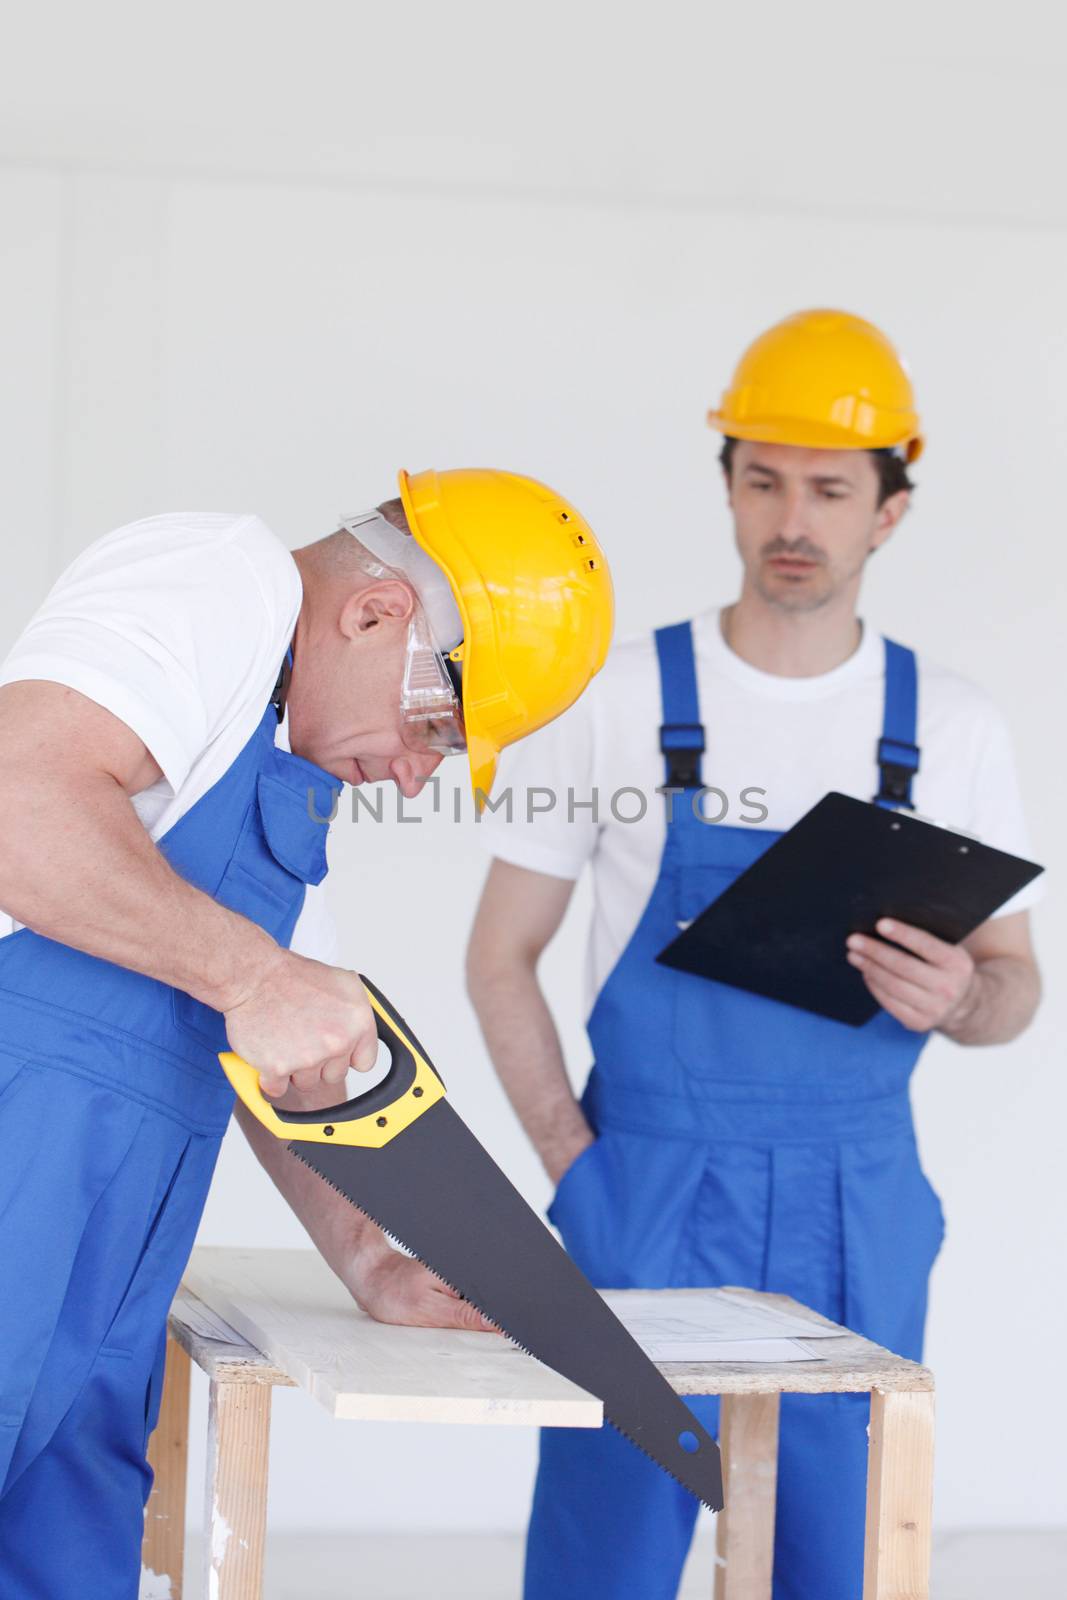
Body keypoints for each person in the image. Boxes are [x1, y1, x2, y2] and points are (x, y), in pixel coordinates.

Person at [467, 311, 1043, 1600]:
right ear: (725, 482)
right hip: (645, 1187)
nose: (793, 518)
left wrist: (961, 996)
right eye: (762, 479)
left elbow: (1014, 986)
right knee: (600, 1562)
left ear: (888, 507)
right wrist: (577, 1164)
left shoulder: (943, 728)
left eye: (830, 488)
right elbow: (500, 954)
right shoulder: (616, 697)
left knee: (830, 1562)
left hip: (853, 1195)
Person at [0, 467, 613, 1598]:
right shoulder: (212, 576)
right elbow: (18, 802)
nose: (416, 774)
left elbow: (287, 1051)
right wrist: (252, 971)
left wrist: (371, 1254)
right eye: (438, 725)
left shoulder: (268, 801)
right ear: (378, 612)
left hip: (100, 1294)